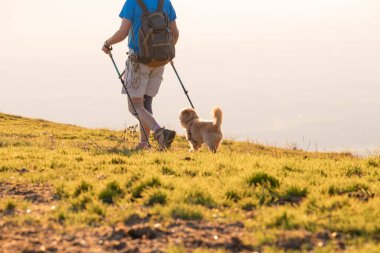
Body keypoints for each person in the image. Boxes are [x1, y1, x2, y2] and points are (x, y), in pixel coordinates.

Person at [102, 0, 179, 150]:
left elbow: (122, 33)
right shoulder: (165, 2)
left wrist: (107, 43)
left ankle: (159, 132)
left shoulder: (132, 2)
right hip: (160, 61)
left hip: (139, 61)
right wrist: (166, 53)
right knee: (146, 103)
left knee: (135, 106)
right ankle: (144, 143)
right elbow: (175, 33)